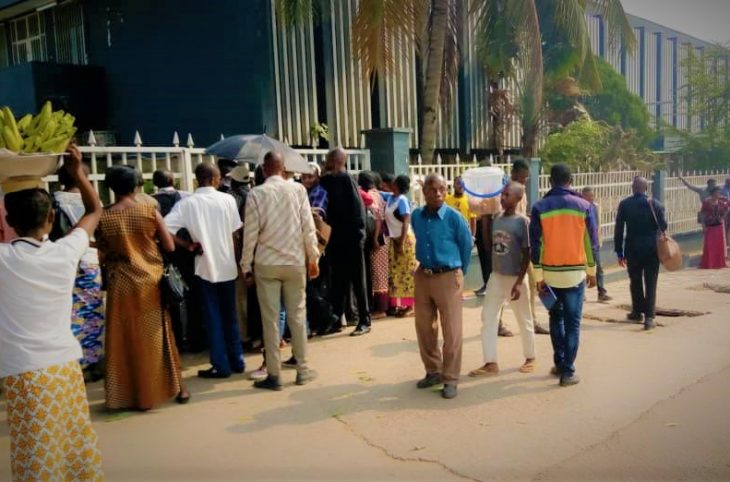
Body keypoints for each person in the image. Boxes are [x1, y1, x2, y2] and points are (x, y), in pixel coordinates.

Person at [0, 146, 104, 480]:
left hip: (25, 374)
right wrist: (78, 173)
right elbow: (95, 209)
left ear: (9, 221)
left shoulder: (5, 259)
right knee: (74, 451)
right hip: (65, 368)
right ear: (50, 219)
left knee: (37, 457)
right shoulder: (65, 251)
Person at [97, 165, 188, 410]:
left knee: (123, 339)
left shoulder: (104, 216)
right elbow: (169, 246)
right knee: (160, 337)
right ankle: (173, 387)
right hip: (150, 281)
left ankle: (125, 395)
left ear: (111, 187)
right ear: (137, 185)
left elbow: (102, 252)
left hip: (120, 284)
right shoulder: (149, 210)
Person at [241, 151, 320, 390]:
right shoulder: (298, 191)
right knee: (297, 316)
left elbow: (250, 234)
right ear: (284, 168)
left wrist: (246, 266)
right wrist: (313, 257)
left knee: (271, 320)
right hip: (295, 262)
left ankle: (274, 375)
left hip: (267, 264)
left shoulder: (256, 194)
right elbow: (308, 227)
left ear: (265, 170)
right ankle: (303, 369)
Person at [165, 163, 245, 378]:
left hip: (204, 266)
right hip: (227, 263)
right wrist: (238, 261)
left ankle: (221, 364)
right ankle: (237, 359)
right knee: (230, 315)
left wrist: (187, 245)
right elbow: (235, 234)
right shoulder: (227, 200)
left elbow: (164, 228)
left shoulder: (187, 203)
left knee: (213, 317)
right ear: (214, 179)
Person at [531, 164, 598, 387]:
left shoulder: (540, 206)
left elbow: (536, 245)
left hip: (549, 275)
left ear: (550, 181)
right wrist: (592, 270)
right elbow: (591, 241)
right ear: (570, 180)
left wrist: (538, 276)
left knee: (555, 318)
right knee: (573, 324)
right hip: (575, 274)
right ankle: (568, 372)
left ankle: (559, 362)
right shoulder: (584, 205)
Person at [411, 174, 472, 399]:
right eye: (432, 189)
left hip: (448, 276)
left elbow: (466, 245)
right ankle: (433, 371)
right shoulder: (417, 216)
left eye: (441, 189)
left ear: (445, 191)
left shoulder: (454, 218)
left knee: (452, 331)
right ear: (424, 190)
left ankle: (451, 379)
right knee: (425, 327)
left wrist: (459, 274)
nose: (437, 193)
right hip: (423, 276)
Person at [469, 182, 536, 378]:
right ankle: (490, 362)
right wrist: (485, 221)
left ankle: (530, 357)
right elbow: (490, 247)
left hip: (516, 277)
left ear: (517, 199)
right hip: (497, 277)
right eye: (502, 194)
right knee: (488, 318)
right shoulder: (496, 218)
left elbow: (527, 253)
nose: (502, 198)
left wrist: (519, 282)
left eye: (507, 195)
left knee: (524, 319)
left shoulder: (522, 222)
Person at [50, 164, 105, 381]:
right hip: (90, 259)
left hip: (64, 260)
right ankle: (93, 361)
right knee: (93, 311)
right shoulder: (92, 200)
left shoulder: (53, 200)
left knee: (68, 312)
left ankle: (73, 363)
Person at [319, 148, 372, 336]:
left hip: (351, 238)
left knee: (358, 279)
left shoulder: (347, 180)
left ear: (336, 161)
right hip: (335, 239)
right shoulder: (325, 181)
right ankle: (337, 318)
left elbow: (359, 211)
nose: (325, 162)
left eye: (328, 159)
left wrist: (360, 236)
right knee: (338, 281)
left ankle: (365, 320)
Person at [614, 177, 668, 330]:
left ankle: (637, 312)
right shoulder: (655, 204)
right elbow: (663, 225)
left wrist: (619, 251)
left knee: (635, 281)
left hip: (633, 249)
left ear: (633, 187)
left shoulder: (625, 204)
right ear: (646, 188)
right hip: (652, 249)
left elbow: (619, 229)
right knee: (651, 283)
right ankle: (649, 318)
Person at [381, 175, 418, 317]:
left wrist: (401, 242)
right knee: (398, 274)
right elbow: (377, 193)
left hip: (404, 240)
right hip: (393, 239)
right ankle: (403, 303)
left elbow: (406, 222)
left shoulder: (402, 200)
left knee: (408, 273)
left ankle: (411, 305)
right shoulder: (390, 198)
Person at [360, 171, 389, 318]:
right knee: (379, 271)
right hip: (382, 236)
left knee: (379, 273)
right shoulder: (379, 193)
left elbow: (378, 218)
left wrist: (376, 237)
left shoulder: (371, 195)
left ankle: (381, 308)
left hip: (379, 237)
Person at [582, 186, 611, 302]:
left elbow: (597, 225)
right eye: (589, 196)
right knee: (583, 269)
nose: (591, 198)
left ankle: (601, 292)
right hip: (583, 243)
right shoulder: (581, 208)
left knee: (599, 268)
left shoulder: (595, 207)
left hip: (594, 243)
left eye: (593, 196)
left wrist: (598, 241)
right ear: (583, 196)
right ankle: (582, 293)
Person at [699, 187, 729, 269]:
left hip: (719, 227)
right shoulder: (706, 203)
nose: (718, 195)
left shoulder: (721, 202)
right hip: (710, 227)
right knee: (710, 246)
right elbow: (701, 214)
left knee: (720, 246)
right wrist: (703, 225)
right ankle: (710, 263)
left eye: (719, 193)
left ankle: (720, 263)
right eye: (716, 193)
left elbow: (728, 208)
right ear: (712, 194)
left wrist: (722, 217)